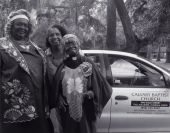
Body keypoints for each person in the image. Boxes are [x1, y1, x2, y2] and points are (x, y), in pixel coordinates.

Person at [0, 9, 54, 133]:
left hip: (39, 108)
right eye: (18, 24)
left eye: (25, 25)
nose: (22, 28)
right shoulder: (2, 47)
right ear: (11, 26)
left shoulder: (37, 49)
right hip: (13, 109)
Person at [51, 34, 112, 133]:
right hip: (67, 113)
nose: (71, 46)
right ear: (63, 48)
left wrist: (91, 94)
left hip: (86, 111)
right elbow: (55, 90)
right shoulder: (62, 67)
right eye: (67, 44)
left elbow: (101, 86)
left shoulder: (88, 64)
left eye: (73, 43)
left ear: (78, 45)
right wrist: (58, 98)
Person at [45, 24, 67, 133]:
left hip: (73, 97)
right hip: (54, 100)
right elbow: (45, 81)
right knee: (58, 129)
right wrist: (57, 97)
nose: (54, 37)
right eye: (51, 35)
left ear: (63, 36)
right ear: (48, 39)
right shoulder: (44, 56)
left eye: (57, 34)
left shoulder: (72, 52)